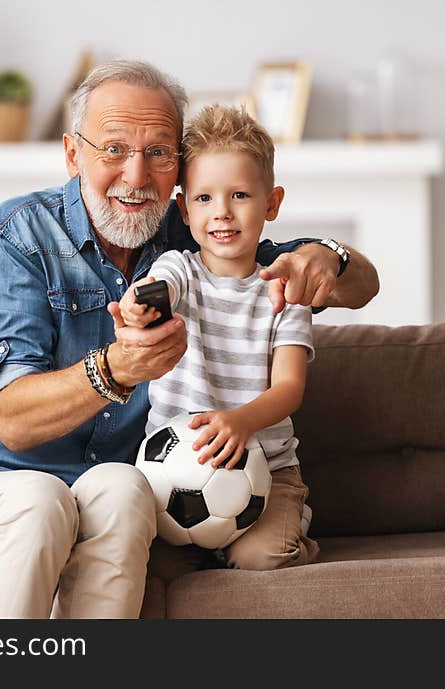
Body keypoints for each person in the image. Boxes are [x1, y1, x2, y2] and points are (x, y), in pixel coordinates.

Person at [0, 59, 379, 619]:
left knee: (124, 488)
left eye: (158, 153)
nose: (137, 176)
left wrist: (330, 256)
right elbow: (13, 420)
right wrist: (118, 368)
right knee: (39, 498)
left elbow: (355, 282)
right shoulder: (16, 238)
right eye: (114, 149)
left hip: (89, 498)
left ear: (180, 171)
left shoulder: (192, 235)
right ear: (73, 154)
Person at [119, 103, 318, 571]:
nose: (222, 213)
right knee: (141, 566)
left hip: (266, 467)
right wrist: (138, 304)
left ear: (271, 203)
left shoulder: (283, 291)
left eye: (240, 196)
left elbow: (289, 388)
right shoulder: (180, 269)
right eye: (204, 198)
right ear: (183, 210)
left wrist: (241, 422)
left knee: (259, 558)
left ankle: (294, 535)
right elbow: (159, 289)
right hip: (174, 472)